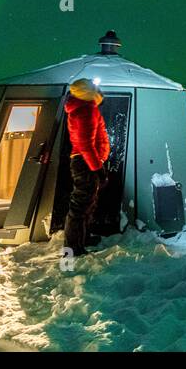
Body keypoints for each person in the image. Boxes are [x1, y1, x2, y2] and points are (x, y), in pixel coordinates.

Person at [63, 78, 110, 256]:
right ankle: (72, 249)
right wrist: (98, 169)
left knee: (87, 203)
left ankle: (82, 238)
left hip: (85, 161)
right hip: (85, 162)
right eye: (96, 88)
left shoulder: (84, 107)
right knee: (80, 206)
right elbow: (85, 144)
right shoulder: (86, 110)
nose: (99, 90)